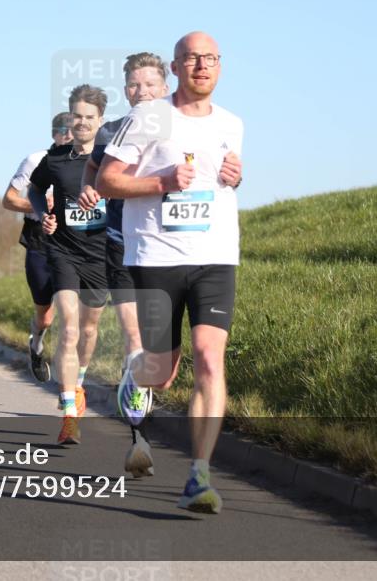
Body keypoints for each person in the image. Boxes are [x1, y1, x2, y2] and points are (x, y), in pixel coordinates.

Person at [97, 32, 243, 513]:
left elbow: (223, 181)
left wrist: (235, 177)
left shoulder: (231, 124)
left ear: (220, 67)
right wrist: (159, 182)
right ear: (177, 67)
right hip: (157, 255)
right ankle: (135, 375)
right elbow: (107, 181)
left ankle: (199, 477)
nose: (202, 66)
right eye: (192, 59)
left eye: (210, 58)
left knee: (209, 357)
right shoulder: (148, 118)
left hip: (216, 253)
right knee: (162, 375)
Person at [78, 52, 169, 478]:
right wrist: (88, 191)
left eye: (150, 84)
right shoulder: (113, 130)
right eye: (134, 85)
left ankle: (138, 381)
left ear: (164, 87)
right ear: (125, 89)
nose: (141, 92)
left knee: (160, 359)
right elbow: (94, 171)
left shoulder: (184, 129)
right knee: (136, 344)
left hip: (170, 253)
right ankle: (140, 440)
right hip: (121, 246)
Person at [28, 85, 110, 445]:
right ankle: (69, 415)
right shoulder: (56, 157)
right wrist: (42, 211)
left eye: (89, 117)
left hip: (100, 254)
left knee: (89, 331)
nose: (81, 123)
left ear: (100, 120)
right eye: (76, 116)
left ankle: (77, 387)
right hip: (63, 251)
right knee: (70, 329)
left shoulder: (113, 158)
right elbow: (34, 188)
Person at [1, 112, 73, 381]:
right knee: (45, 316)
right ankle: (37, 345)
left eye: (75, 130)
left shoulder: (85, 161)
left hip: (72, 240)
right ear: (54, 134)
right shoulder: (36, 160)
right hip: (39, 239)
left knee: (72, 312)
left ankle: (70, 380)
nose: (69, 135)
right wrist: (39, 205)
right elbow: (8, 200)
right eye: (64, 130)